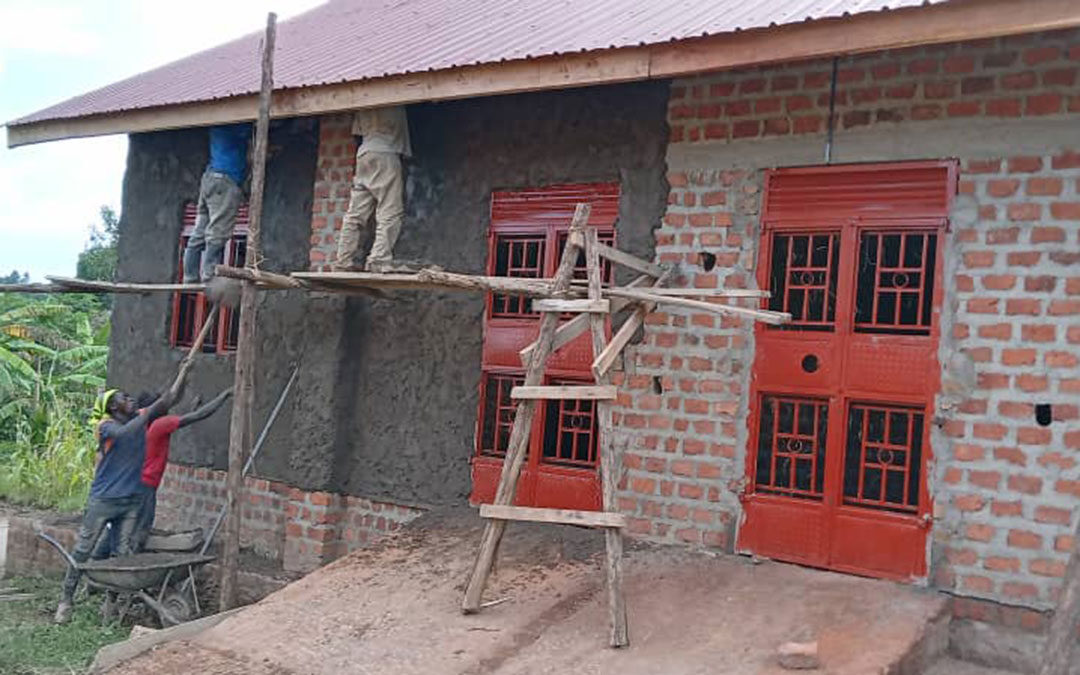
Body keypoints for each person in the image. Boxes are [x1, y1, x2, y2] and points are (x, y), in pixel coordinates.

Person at [54, 388, 177, 624]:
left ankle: (110, 601)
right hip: (104, 501)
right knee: (83, 550)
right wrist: (148, 413)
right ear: (112, 407)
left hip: (129, 501)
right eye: (124, 398)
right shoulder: (106, 426)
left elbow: (166, 403)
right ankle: (66, 600)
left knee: (121, 555)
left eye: (130, 396)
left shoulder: (137, 418)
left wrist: (185, 376)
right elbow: (124, 434)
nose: (130, 399)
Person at [132, 387, 233, 550]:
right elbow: (197, 417)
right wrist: (224, 395)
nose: (166, 407)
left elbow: (182, 419)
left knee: (133, 524)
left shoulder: (140, 425)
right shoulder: (159, 425)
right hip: (147, 485)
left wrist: (193, 405)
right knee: (142, 527)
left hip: (137, 482)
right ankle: (131, 559)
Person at [333, 106, 411, 273]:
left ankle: (342, 261)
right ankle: (379, 260)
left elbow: (357, 132)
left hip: (364, 153)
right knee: (390, 211)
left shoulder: (365, 101)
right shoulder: (397, 95)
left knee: (355, 213)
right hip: (386, 153)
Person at [183, 123, 252, 283]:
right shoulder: (233, 126)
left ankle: (190, 276)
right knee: (218, 231)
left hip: (209, 180)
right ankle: (209, 273)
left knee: (199, 231)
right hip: (224, 182)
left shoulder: (217, 126)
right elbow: (251, 128)